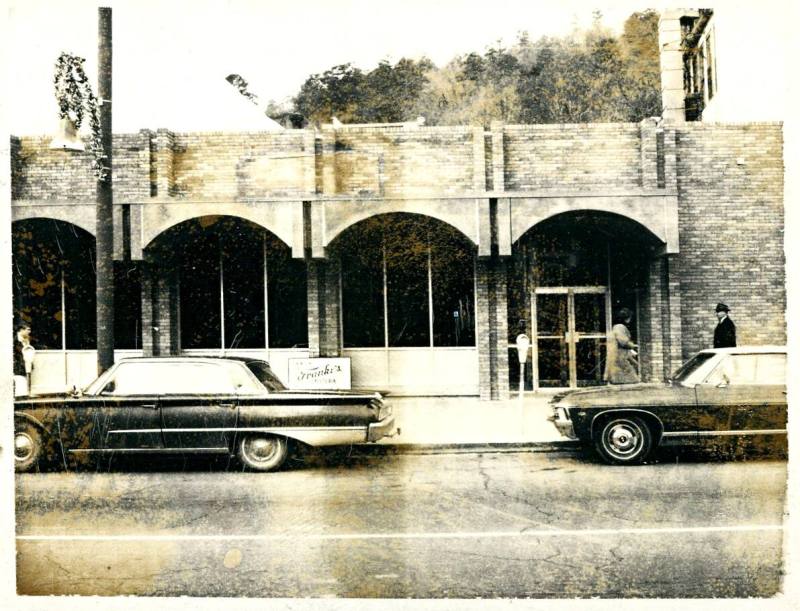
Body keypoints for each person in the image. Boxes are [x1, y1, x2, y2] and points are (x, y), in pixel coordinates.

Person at [604, 308, 640, 384]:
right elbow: (623, 341)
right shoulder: (619, 327)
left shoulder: (616, 326)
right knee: (628, 372)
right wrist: (632, 345)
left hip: (618, 353)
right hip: (620, 353)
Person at [13, 323, 32, 396]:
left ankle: (24, 394)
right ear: (21, 330)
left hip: (25, 363)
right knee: (19, 379)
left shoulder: (27, 339)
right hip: (18, 363)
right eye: (27, 330)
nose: (29, 332)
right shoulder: (15, 340)